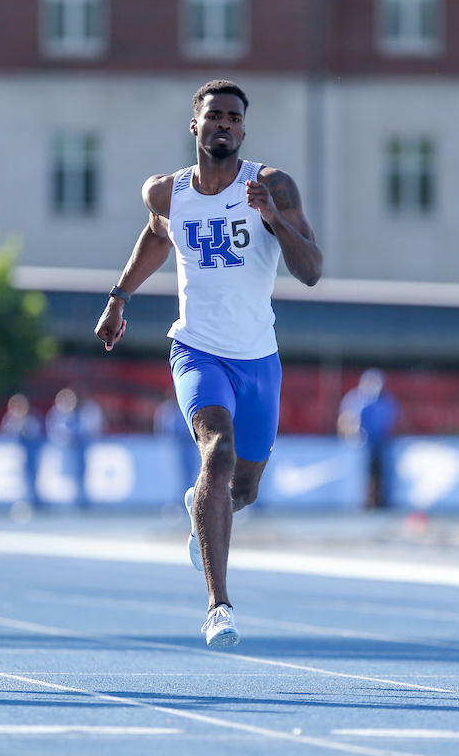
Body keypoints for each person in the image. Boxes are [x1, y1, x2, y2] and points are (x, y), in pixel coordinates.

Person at [95, 79, 322, 648]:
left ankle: (207, 512)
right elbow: (157, 237)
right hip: (196, 349)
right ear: (194, 125)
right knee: (216, 453)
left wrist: (274, 218)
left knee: (241, 488)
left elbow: (312, 268)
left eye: (233, 117)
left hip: (258, 358)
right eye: (213, 115)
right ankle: (219, 606)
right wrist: (119, 297)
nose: (223, 123)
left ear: (243, 129)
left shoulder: (270, 184)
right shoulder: (166, 192)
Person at [337, 369, 399, 508]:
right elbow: (346, 420)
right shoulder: (355, 398)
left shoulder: (386, 399)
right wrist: (352, 434)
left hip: (381, 444)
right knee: (363, 474)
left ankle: (381, 501)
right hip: (361, 445)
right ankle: (363, 502)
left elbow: (393, 422)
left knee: (381, 473)